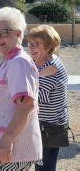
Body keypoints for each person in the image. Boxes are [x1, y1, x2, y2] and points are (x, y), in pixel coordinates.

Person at [0, 7, 42, 170]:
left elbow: (26, 105)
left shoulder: (19, 62)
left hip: (13, 151)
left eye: (4, 32)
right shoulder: (9, 59)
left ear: (18, 34)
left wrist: (7, 140)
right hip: (6, 150)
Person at [28, 25, 69, 171]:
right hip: (45, 123)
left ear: (48, 46)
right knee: (41, 163)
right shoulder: (42, 60)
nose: (32, 48)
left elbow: (34, 99)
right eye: (30, 44)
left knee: (44, 167)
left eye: (36, 44)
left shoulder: (50, 68)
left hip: (49, 126)